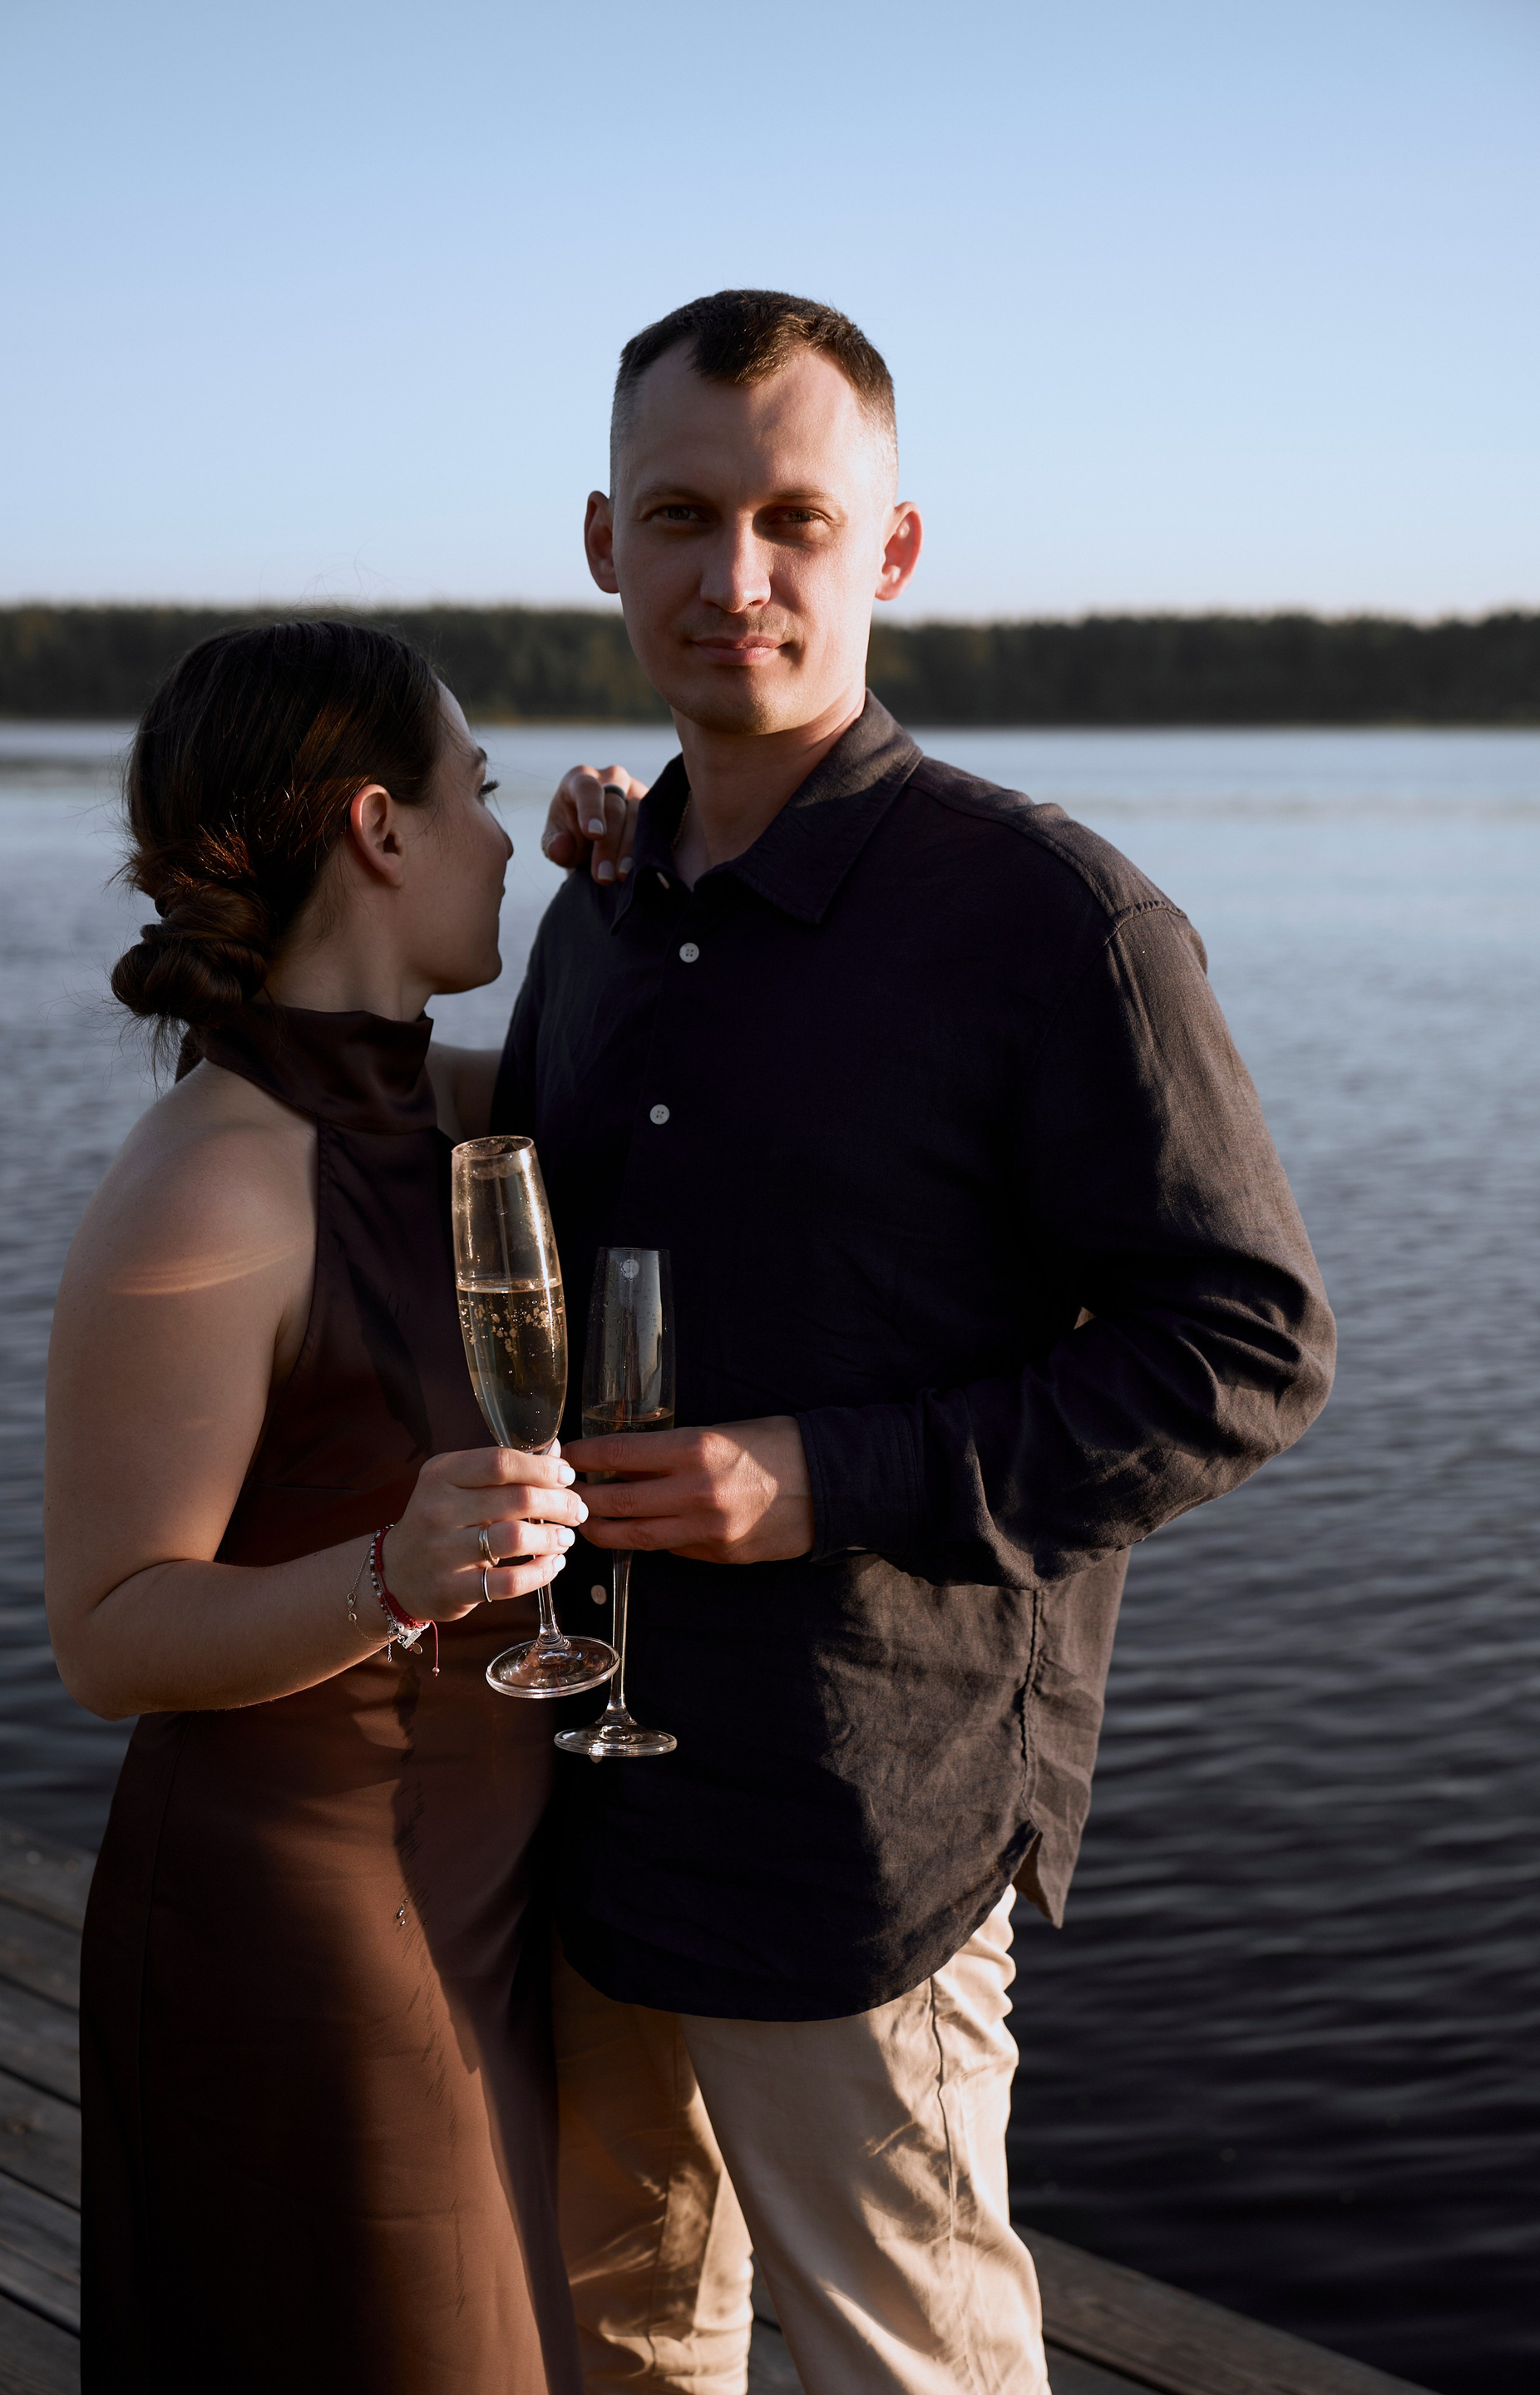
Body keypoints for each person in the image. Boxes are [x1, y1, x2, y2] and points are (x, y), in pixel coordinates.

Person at [497, 290, 1338, 2395]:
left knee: (910, 2369)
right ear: (602, 541)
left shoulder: (1052, 921)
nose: (736, 575)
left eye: (796, 518)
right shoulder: (599, 905)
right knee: (621, 2345)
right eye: (680, 515)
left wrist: (824, 1475)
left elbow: (1247, 1349)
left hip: (859, 1817)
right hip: (587, 1792)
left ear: (891, 549)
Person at [44, 620, 635, 2393]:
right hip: (304, 1941)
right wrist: (392, 1573)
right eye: (482, 792)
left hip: (473, 1898)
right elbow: (106, 1633)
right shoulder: (215, 1181)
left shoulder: (423, 1115)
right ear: (380, 828)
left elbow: (623, 1103)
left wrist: (628, 883)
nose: (502, 837)